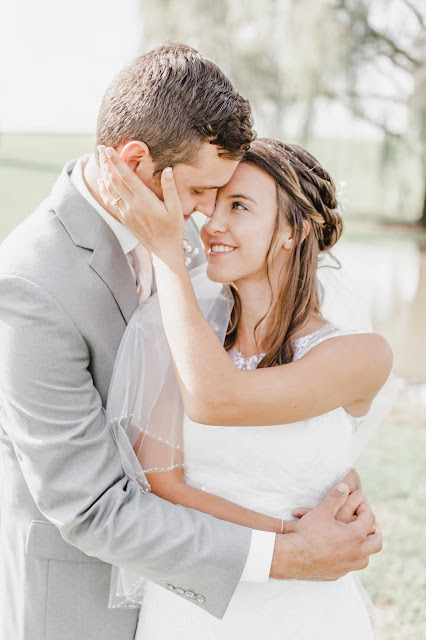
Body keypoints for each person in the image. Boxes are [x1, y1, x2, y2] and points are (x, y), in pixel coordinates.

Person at [0, 41, 379, 640]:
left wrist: (318, 478)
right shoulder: (31, 284)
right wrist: (290, 552)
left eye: (224, 197)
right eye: (202, 192)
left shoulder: (199, 241)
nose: (208, 217)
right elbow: (92, 508)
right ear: (133, 163)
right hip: (84, 604)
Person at [98, 137, 392, 639]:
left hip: (306, 614)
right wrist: (297, 541)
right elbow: (165, 483)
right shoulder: (182, 337)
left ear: (293, 230)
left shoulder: (361, 355)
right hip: (197, 606)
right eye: (213, 204)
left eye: (240, 206)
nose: (212, 224)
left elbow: (221, 401)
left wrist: (339, 496)